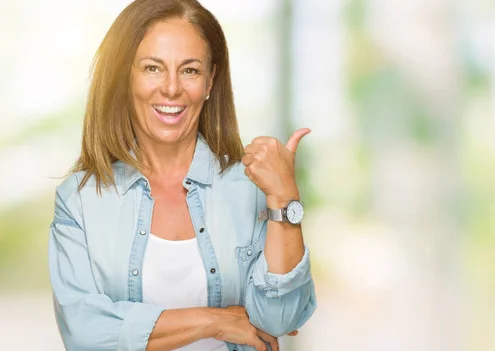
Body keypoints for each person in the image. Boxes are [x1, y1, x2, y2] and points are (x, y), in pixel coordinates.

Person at [47, 0, 317, 350]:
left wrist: (284, 201)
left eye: (189, 70)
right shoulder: (80, 200)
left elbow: (279, 321)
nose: (172, 88)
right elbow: (84, 334)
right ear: (124, 76)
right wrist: (216, 320)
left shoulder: (249, 188)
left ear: (210, 80)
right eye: (152, 68)